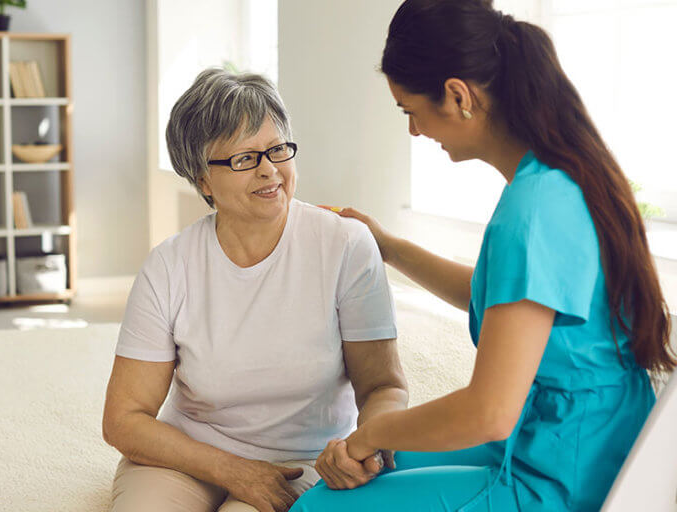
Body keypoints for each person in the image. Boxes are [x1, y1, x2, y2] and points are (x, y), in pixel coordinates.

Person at [292, 0, 676, 510]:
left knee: (320, 505)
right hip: (570, 431)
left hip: (569, 470)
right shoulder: (554, 177)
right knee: (373, 467)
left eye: (410, 111)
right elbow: (501, 297)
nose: (414, 131)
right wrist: (389, 247)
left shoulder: (533, 211)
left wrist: (370, 432)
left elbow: (489, 411)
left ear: (458, 95)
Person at [101, 68, 408, 512]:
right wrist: (231, 469)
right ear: (203, 181)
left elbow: (383, 386)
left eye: (277, 150)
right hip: (188, 455)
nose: (269, 170)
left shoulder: (345, 244)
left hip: (302, 461)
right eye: (245, 158)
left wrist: (365, 445)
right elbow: (124, 419)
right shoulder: (168, 265)